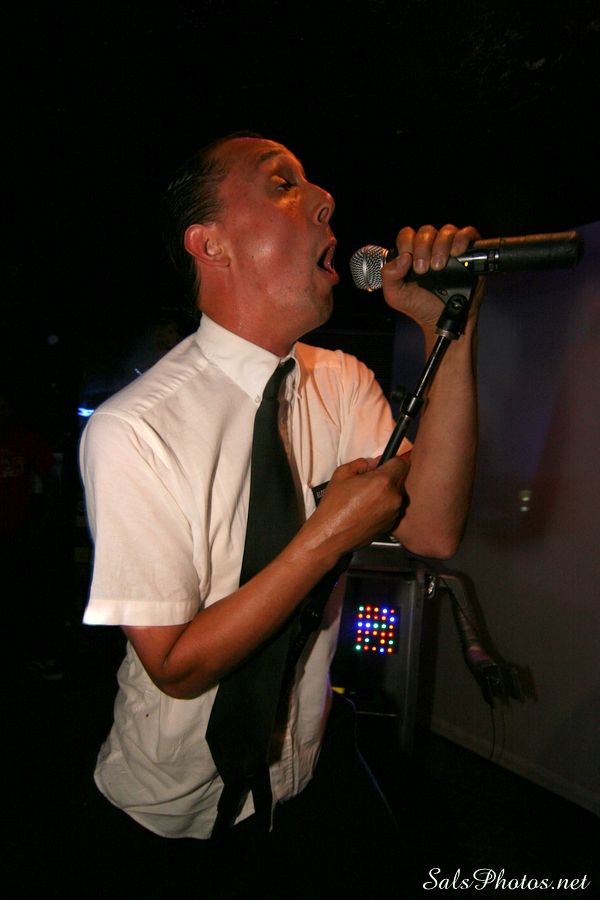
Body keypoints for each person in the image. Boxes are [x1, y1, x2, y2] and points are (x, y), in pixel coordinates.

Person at [78, 132, 482, 898]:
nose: (325, 201)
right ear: (212, 244)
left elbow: (432, 528)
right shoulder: (134, 429)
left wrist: (446, 330)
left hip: (307, 763)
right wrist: (325, 536)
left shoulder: (341, 381)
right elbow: (176, 666)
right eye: (283, 184)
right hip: (173, 807)